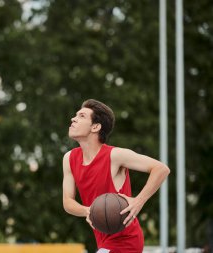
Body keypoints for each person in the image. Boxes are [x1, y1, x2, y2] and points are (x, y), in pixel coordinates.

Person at [62, 99, 170, 253]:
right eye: (76, 115)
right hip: (103, 241)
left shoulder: (115, 155)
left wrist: (138, 201)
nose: (73, 118)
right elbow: (68, 203)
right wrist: (88, 211)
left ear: (95, 127)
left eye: (82, 116)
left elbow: (161, 169)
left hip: (126, 239)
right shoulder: (69, 158)